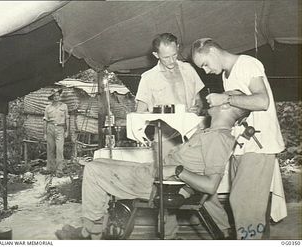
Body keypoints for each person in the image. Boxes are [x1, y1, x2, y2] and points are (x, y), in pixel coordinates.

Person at [78, 92, 249, 240]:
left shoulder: (217, 138)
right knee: (100, 162)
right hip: (157, 174)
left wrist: (177, 170)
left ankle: (92, 232)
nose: (212, 97)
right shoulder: (211, 132)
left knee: (93, 169)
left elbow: (211, 185)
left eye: (224, 95)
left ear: (226, 106)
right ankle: (94, 226)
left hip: (162, 183)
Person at [191, 38, 285, 239]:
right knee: (247, 204)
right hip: (242, 145)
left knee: (243, 202)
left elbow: (262, 101)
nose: (206, 71)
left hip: (259, 146)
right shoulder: (227, 75)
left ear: (214, 51)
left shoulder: (247, 64)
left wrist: (225, 98)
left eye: (205, 64)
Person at [135, 33, 205, 238]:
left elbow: (199, 102)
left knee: (203, 177)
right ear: (156, 54)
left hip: (192, 135)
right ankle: (169, 236)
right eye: (166, 57)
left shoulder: (188, 69)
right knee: (167, 187)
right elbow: (140, 111)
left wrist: (197, 108)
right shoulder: (148, 78)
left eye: (175, 55)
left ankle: (224, 231)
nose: (172, 61)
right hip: (165, 138)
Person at [43, 88, 70, 186]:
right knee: (50, 149)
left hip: (60, 129)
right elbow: (45, 121)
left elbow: (67, 118)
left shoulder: (64, 106)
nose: (57, 97)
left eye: (58, 96)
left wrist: (67, 130)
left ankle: (59, 171)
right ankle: (50, 169)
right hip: (50, 128)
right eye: (55, 96)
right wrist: (45, 133)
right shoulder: (48, 108)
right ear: (52, 98)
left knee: (59, 149)